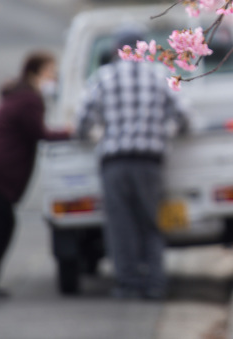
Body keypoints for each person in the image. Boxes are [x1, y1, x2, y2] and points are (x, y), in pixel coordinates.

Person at [76, 27, 188, 300]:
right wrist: (169, 132)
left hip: (115, 163)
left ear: (117, 49)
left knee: (121, 226)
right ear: (144, 48)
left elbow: (83, 122)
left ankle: (128, 285)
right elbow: (184, 116)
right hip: (150, 162)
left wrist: (94, 133)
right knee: (150, 223)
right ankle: (155, 284)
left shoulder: (103, 77)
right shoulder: (160, 76)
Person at [0, 51, 70, 299]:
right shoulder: (28, 100)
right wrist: (71, 132)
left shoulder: (20, 96)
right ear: (34, 73)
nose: (54, 78)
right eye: (49, 73)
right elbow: (40, 133)